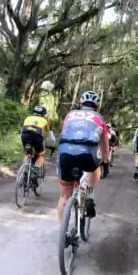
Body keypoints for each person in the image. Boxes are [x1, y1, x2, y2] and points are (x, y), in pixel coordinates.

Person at [56, 90, 109, 223]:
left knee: (64, 194)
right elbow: (104, 144)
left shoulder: (69, 115)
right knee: (96, 168)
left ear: (81, 103)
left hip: (65, 153)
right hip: (87, 155)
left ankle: (64, 231)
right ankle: (90, 196)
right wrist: (103, 158)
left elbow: (63, 135)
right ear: (96, 107)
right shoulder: (99, 118)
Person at [20, 105, 56, 184]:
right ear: (43, 114)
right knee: (41, 155)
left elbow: (22, 130)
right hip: (36, 136)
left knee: (28, 153)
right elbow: (51, 136)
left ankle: (25, 171)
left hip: (24, 135)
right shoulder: (45, 121)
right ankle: (34, 172)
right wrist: (53, 145)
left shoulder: (27, 118)